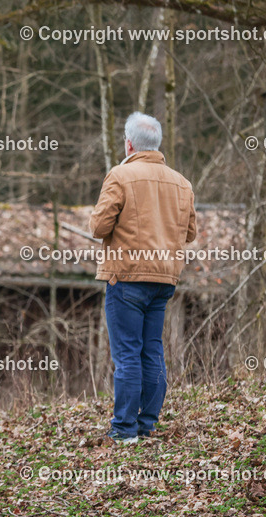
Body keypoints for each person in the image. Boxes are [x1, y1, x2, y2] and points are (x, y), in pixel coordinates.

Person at [89, 112, 197, 443]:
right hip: (164, 280)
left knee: (126, 355)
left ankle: (124, 430)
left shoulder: (120, 176)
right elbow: (190, 233)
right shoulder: (182, 183)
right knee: (151, 350)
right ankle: (146, 423)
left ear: (129, 143)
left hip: (127, 277)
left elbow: (98, 227)